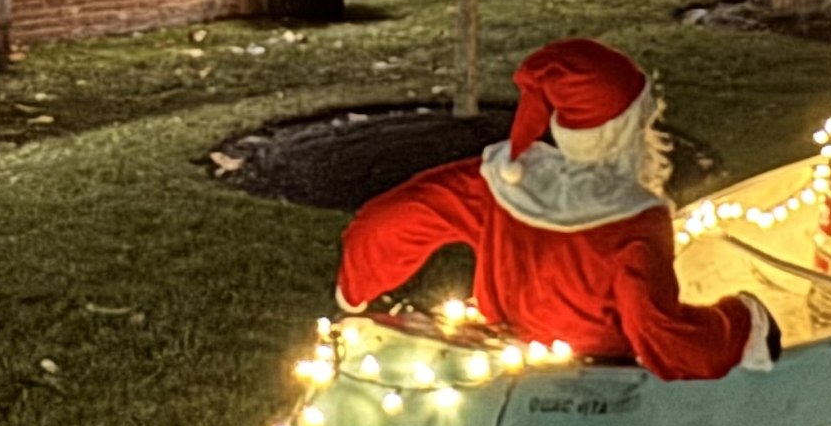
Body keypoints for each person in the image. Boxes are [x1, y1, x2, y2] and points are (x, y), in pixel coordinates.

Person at [334, 39, 781, 381]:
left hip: (502, 346)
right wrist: (743, 323)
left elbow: (400, 214)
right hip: (594, 367)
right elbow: (658, 330)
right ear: (626, 130)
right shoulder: (633, 217)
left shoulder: (505, 179)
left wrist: (356, 289)